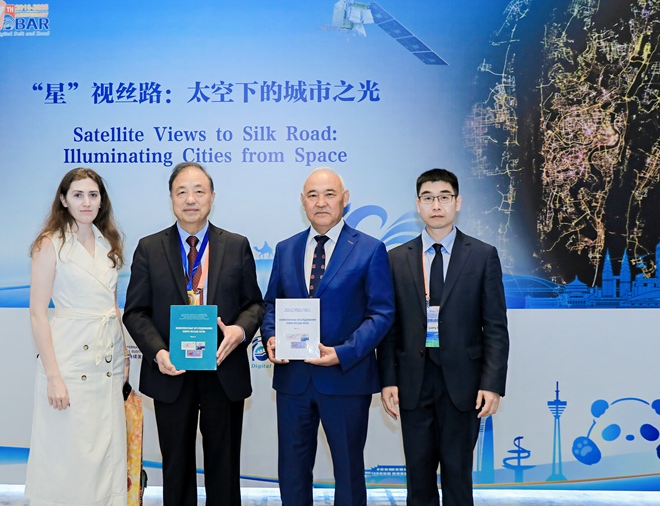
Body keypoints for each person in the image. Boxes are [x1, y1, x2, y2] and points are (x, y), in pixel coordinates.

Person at [123, 162, 265, 506]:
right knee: (176, 468)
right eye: (182, 192)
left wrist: (239, 331)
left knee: (224, 468)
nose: (190, 199)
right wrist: (159, 353)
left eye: (199, 191)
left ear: (212, 196)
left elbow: (254, 305)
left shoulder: (236, 245)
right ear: (171, 198)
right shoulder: (149, 247)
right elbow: (136, 312)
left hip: (222, 369)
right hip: (171, 371)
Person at [261, 167, 395, 506]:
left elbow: (381, 313)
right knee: (292, 471)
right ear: (303, 202)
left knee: (348, 472)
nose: (321, 202)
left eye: (329, 194)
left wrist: (343, 353)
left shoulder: (370, 249)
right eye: (313, 195)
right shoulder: (286, 248)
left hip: (345, 378)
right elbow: (271, 304)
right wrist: (271, 336)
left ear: (345, 199)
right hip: (293, 381)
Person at [378, 168, 510, 506]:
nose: (436, 205)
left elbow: (495, 326)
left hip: (463, 383)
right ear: (417, 205)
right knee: (418, 477)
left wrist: (492, 384)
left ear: (457, 202)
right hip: (413, 381)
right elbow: (388, 326)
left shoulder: (482, 255)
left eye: (444, 197)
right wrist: (387, 379)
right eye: (428, 198)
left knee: (457, 476)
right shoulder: (395, 258)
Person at [25, 168, 129, 506]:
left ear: (101, 201)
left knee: (106, 448)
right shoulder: (49, 244)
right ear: (64, 200)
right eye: (78, 195)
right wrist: (53, 376)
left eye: (93, 195)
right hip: (68, 359)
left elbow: (113, 306)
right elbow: (38, 313)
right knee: (67, 451)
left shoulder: (108, 242)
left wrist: (125, 355)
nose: (86, 202)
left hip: (107, 361)